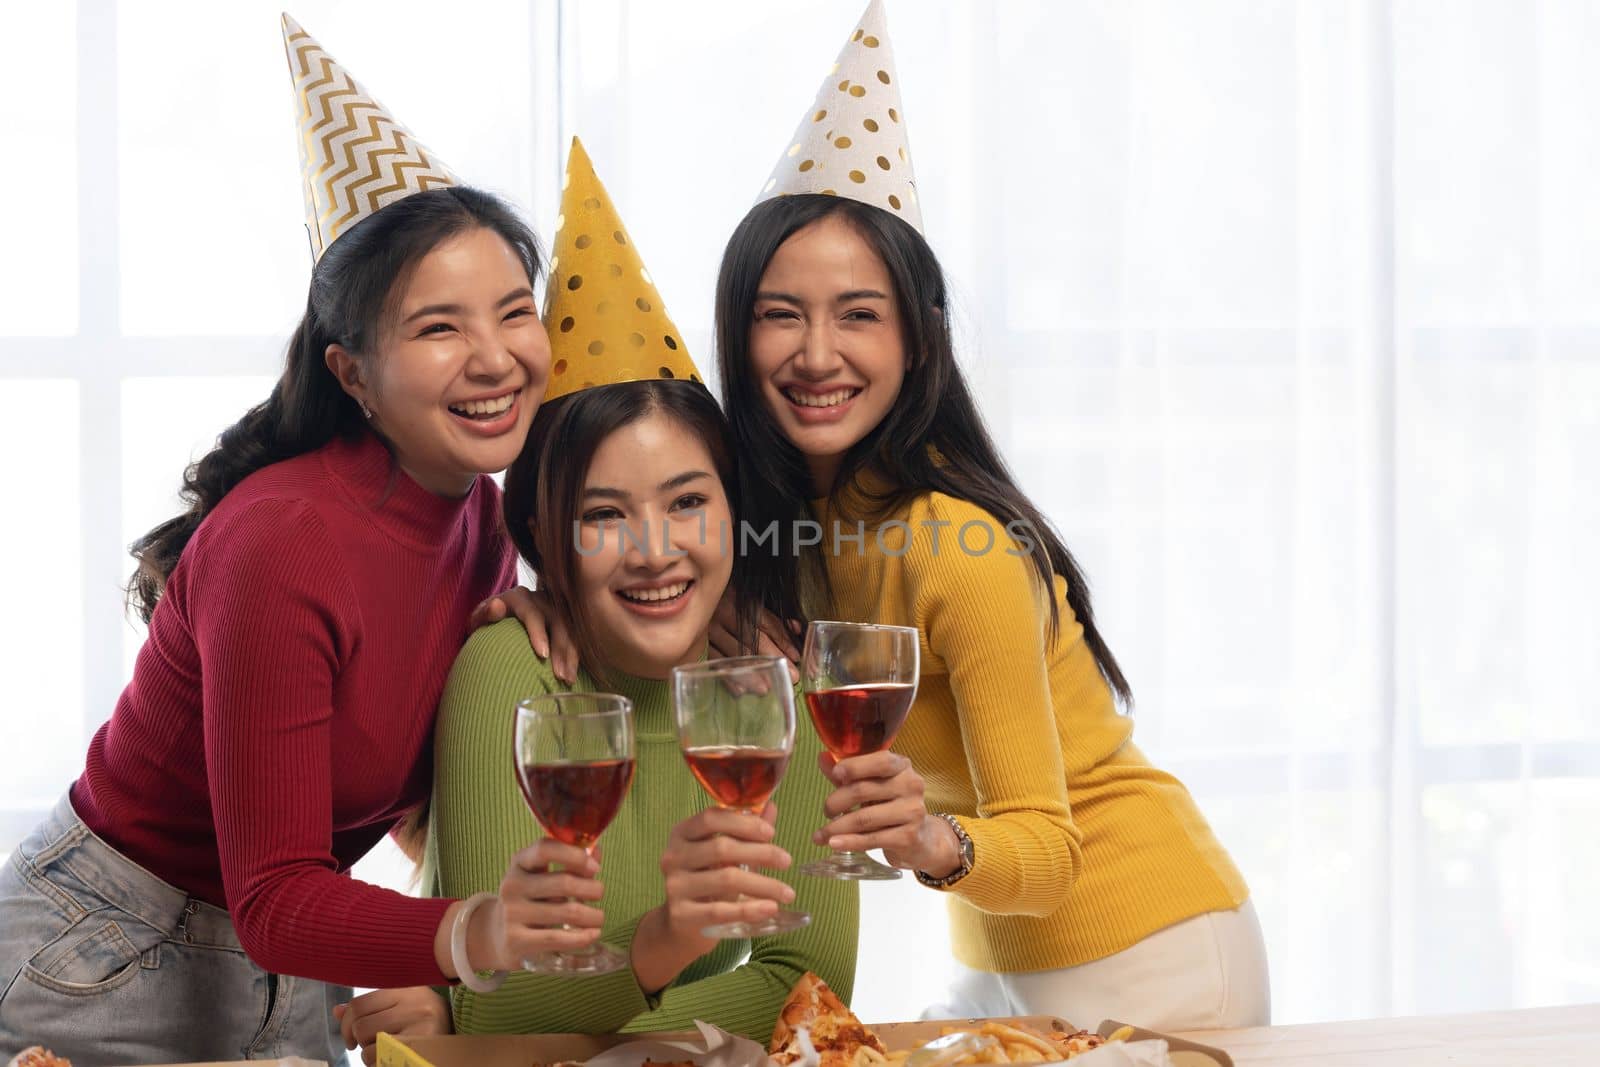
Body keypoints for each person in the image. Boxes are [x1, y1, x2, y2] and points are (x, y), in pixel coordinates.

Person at [0, 20, 583, 1063]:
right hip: (105, 954)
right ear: (352, 374)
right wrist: (475, 931)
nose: (496, 357)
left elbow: (372, 798)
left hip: (283, 957)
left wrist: (504, 653)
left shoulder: (484, 530)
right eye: (438, 326)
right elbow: (273, 895)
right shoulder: (283, 541)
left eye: (513, 312)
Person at [706, 0, 1270, 1030]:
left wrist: (932, 841)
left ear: (919, 342)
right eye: (778, 313)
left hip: (1150, 947)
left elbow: (1047, 853)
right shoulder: (783, 525)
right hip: (1001, 955)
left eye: (857, 314)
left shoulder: (951, 543)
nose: (816, 353)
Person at [340, 141, 855, 1061]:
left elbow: (808, 984)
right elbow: (511, 1011)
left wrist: (587, 1032)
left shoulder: (781, 682)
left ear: (734, 510)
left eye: (689, 502)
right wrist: (670, 946)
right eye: (605, 514)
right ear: (542, 536)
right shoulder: (511, 671)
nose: (657, 551)